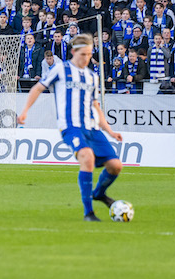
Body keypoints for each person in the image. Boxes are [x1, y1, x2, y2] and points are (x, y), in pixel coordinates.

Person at [17, 33, 125, 221]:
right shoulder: (60, 69)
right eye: (83, 54)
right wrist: (25, 110)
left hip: (92, 128)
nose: (87, 58)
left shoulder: (92, 77)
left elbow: (96, 106)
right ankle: (88, 212)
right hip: (70, 127)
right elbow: (38, 88)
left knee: (115, 166)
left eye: (90, 55)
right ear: (74, 52)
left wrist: (110, 131)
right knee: (87, 156)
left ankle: (98, 193)